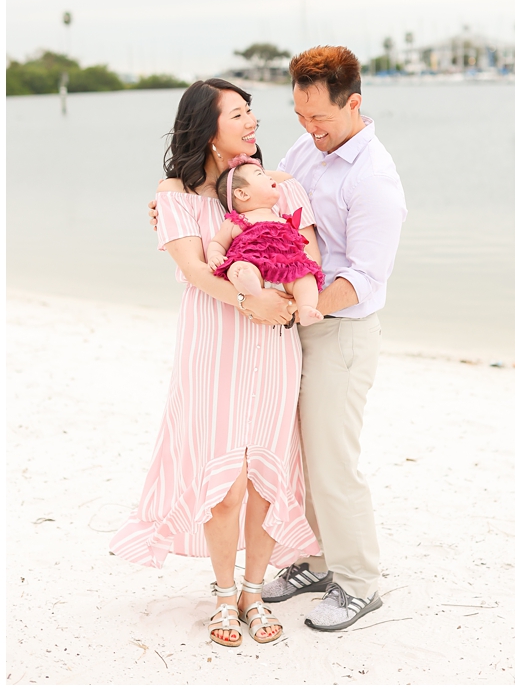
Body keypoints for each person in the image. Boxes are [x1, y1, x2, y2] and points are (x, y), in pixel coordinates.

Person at [114, 78, 319, 648]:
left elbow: (309, 254)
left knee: (263, 480)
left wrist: (283, 301)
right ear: (207, 128)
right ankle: (225, 596)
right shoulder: (177, 195)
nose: (252, 121)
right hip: (212, 347)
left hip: (275, 346)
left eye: (252, 112)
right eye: (238, 113)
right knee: (225, 484)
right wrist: (249, 299)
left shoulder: (278, 185)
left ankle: (256, 592)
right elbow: (197, 271)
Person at [257, 45, 406, 631]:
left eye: (320, 118)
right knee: (301, 458)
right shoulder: (307, 149)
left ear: (354, 103)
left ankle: (360, 582)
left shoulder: (374, 179)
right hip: (300, 327)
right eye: (300, 116)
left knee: (334, 463)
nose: (310, 130)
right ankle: (317, 561)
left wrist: (300, 306)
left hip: (341, 333)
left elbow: (365, 278)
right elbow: (265, 192)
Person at [208, 156, 326, 328]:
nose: (269, 177)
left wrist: (306, 260)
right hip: (253, 262)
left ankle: (306, 307)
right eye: (259, 174)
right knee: (239, 267)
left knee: (306, 277)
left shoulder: (282, 219)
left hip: (285, 269)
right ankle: (250, 284)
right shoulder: (237, 220)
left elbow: (297, 246)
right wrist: (214, 256)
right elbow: (218, 242)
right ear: (242, 193)